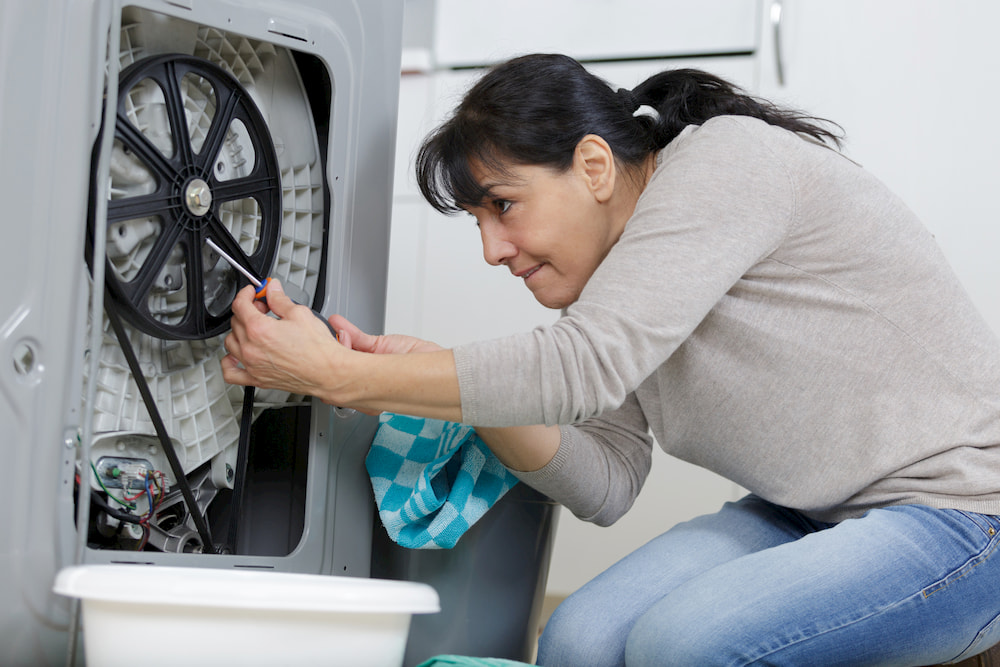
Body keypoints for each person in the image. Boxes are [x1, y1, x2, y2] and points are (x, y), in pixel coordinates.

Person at [221, 53, 1000, 666]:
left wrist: (338, 373)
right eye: (477, 222)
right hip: (809, 514)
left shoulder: (727, 165)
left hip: (961, 516)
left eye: (502, 204)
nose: (493, 249)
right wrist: (436, 384)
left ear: (594, 165)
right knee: (578, 644)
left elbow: (578, 367)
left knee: (683, 646)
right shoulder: (620, 279)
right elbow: (608, 481)